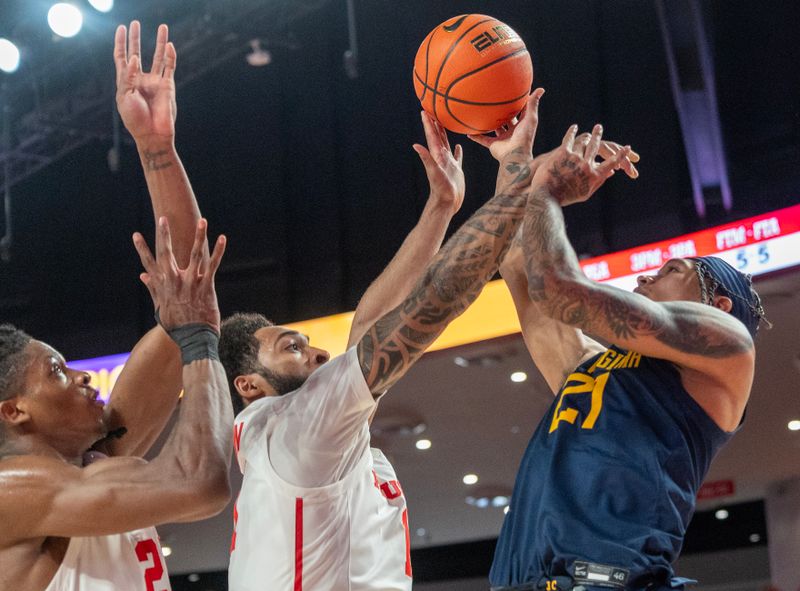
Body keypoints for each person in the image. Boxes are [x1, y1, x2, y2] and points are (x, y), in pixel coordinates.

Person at [218, 90, 580, 590]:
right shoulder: (301, 430)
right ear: (250, 385)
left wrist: (441, 207)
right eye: (292, 348)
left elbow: (369, 321)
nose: (318, 351)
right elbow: (433, 301)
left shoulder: (293, 435)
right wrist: (524, 186)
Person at [481, 119, 766, 589]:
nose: (643, 279)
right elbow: (518, 264)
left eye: (671, 270)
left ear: (718, 305)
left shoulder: (728, 346)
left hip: (610, 581)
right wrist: (515, 160)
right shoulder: (592, 366)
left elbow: (557, 289)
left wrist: (547, 189)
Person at [0, 23, 232, 591]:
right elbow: (201, 484)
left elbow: (186, 287)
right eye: (55, 371)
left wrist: (157, 151)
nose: (79, 376)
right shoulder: (16, 489)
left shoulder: (97, 459)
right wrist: (198, 339)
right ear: (15, 412)